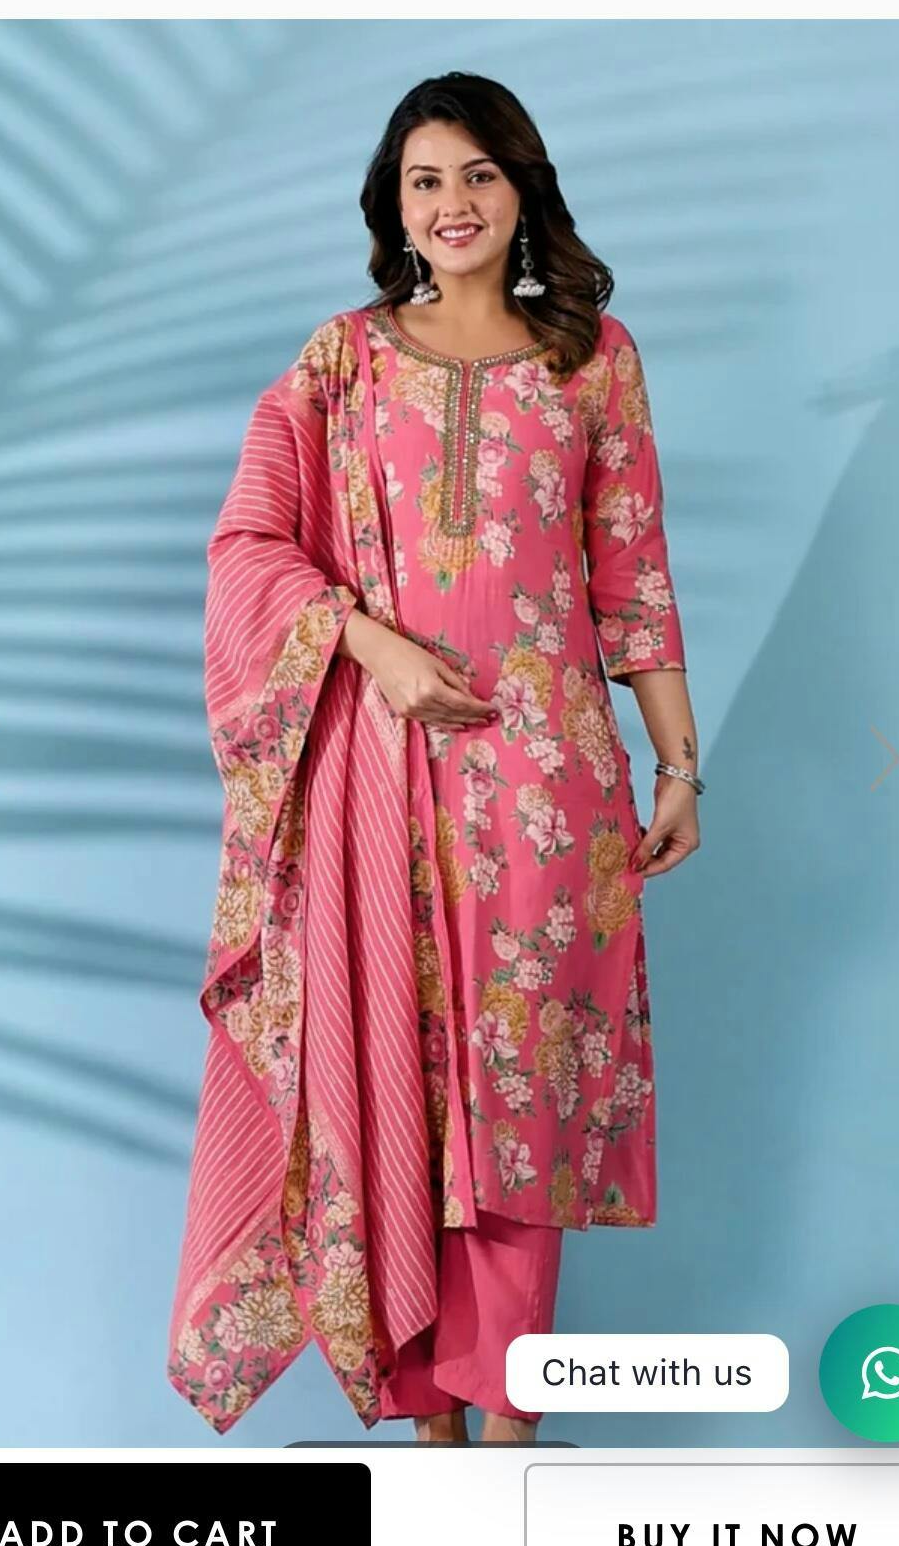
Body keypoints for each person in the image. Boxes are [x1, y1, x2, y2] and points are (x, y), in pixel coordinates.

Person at [168, 72, 701, 1445]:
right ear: (392, 208)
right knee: (395, 1095)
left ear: (522, 189)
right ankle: (429, 1453)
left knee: (519, 1110)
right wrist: (369, 644)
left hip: (548, 797)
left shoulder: (593, 357)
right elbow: (248, 545)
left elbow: (632, 572)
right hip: (377, 784)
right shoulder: (341, 362)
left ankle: (506, 1447)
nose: (452, 203)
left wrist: (677, 768)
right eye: (424, 181)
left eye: (477, 174)